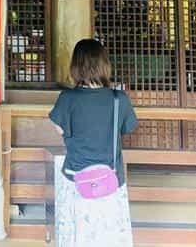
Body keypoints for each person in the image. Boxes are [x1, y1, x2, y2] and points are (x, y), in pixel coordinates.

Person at [49, 38, 138, 247]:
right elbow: (126, 128)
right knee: (109, 236)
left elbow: (59, 128)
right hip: (111, 177)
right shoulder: (119, 99)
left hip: (75, 178)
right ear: (104, 65)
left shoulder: (67, 98)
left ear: (75, 67)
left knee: (77, 236)